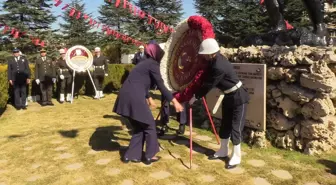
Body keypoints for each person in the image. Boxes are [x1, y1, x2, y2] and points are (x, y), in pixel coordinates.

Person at [113, 42, 184, 165]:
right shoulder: (152, 64)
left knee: (139, 127)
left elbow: (142, 82)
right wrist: (175, 101)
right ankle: (150, 156)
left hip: (125, 95)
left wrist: (149, 98)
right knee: (150, 125)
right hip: (134, 97)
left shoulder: (143, 64)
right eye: (160, 53)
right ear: (156, 53)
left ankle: (131, 155)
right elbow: (161, 85)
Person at [189, 38, 249, 169]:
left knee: (235, 128)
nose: (202, 56)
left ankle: (236, 157)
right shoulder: (213, 61)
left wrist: (196, 96)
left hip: (239, 97)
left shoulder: (218, 66)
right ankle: (223, 151)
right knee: (225, 125)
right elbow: (205, 77)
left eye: (204, 54)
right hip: (228, 96)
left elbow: (209, 84)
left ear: (211, 53)